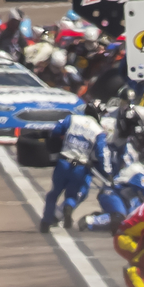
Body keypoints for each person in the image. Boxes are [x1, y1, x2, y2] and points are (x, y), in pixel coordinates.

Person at [39, 99, 102, 232]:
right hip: (80, 167)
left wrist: (54, 143)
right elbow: (101, 153)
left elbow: (56, 131)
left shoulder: (72, 119)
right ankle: (68, 208)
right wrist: (106, 171)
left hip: (64, 162)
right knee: (72, 195)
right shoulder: (99, 131)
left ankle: (45, 223)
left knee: (53, 194)